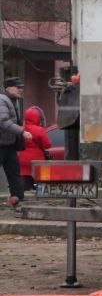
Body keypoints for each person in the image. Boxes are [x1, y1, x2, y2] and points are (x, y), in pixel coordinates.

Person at [0, 77, 31, 210]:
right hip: (1, 144)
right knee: (14, 172)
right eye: (18, 87)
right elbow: (3, 121)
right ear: (9, 88)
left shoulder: (13, 100)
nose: (20, 90)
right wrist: (21, 131)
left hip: (8, 144)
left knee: (14, 172)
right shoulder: (2, 100)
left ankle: (18, 199)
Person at [18, 106, 53, 191]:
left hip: (22, 158)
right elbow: (48, 145)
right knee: (39, 179)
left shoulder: (21, 129)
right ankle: (40, 194)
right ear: (37, 118)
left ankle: (22, 195)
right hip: (37, 159)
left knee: (25, 178)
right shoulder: (39, 130)